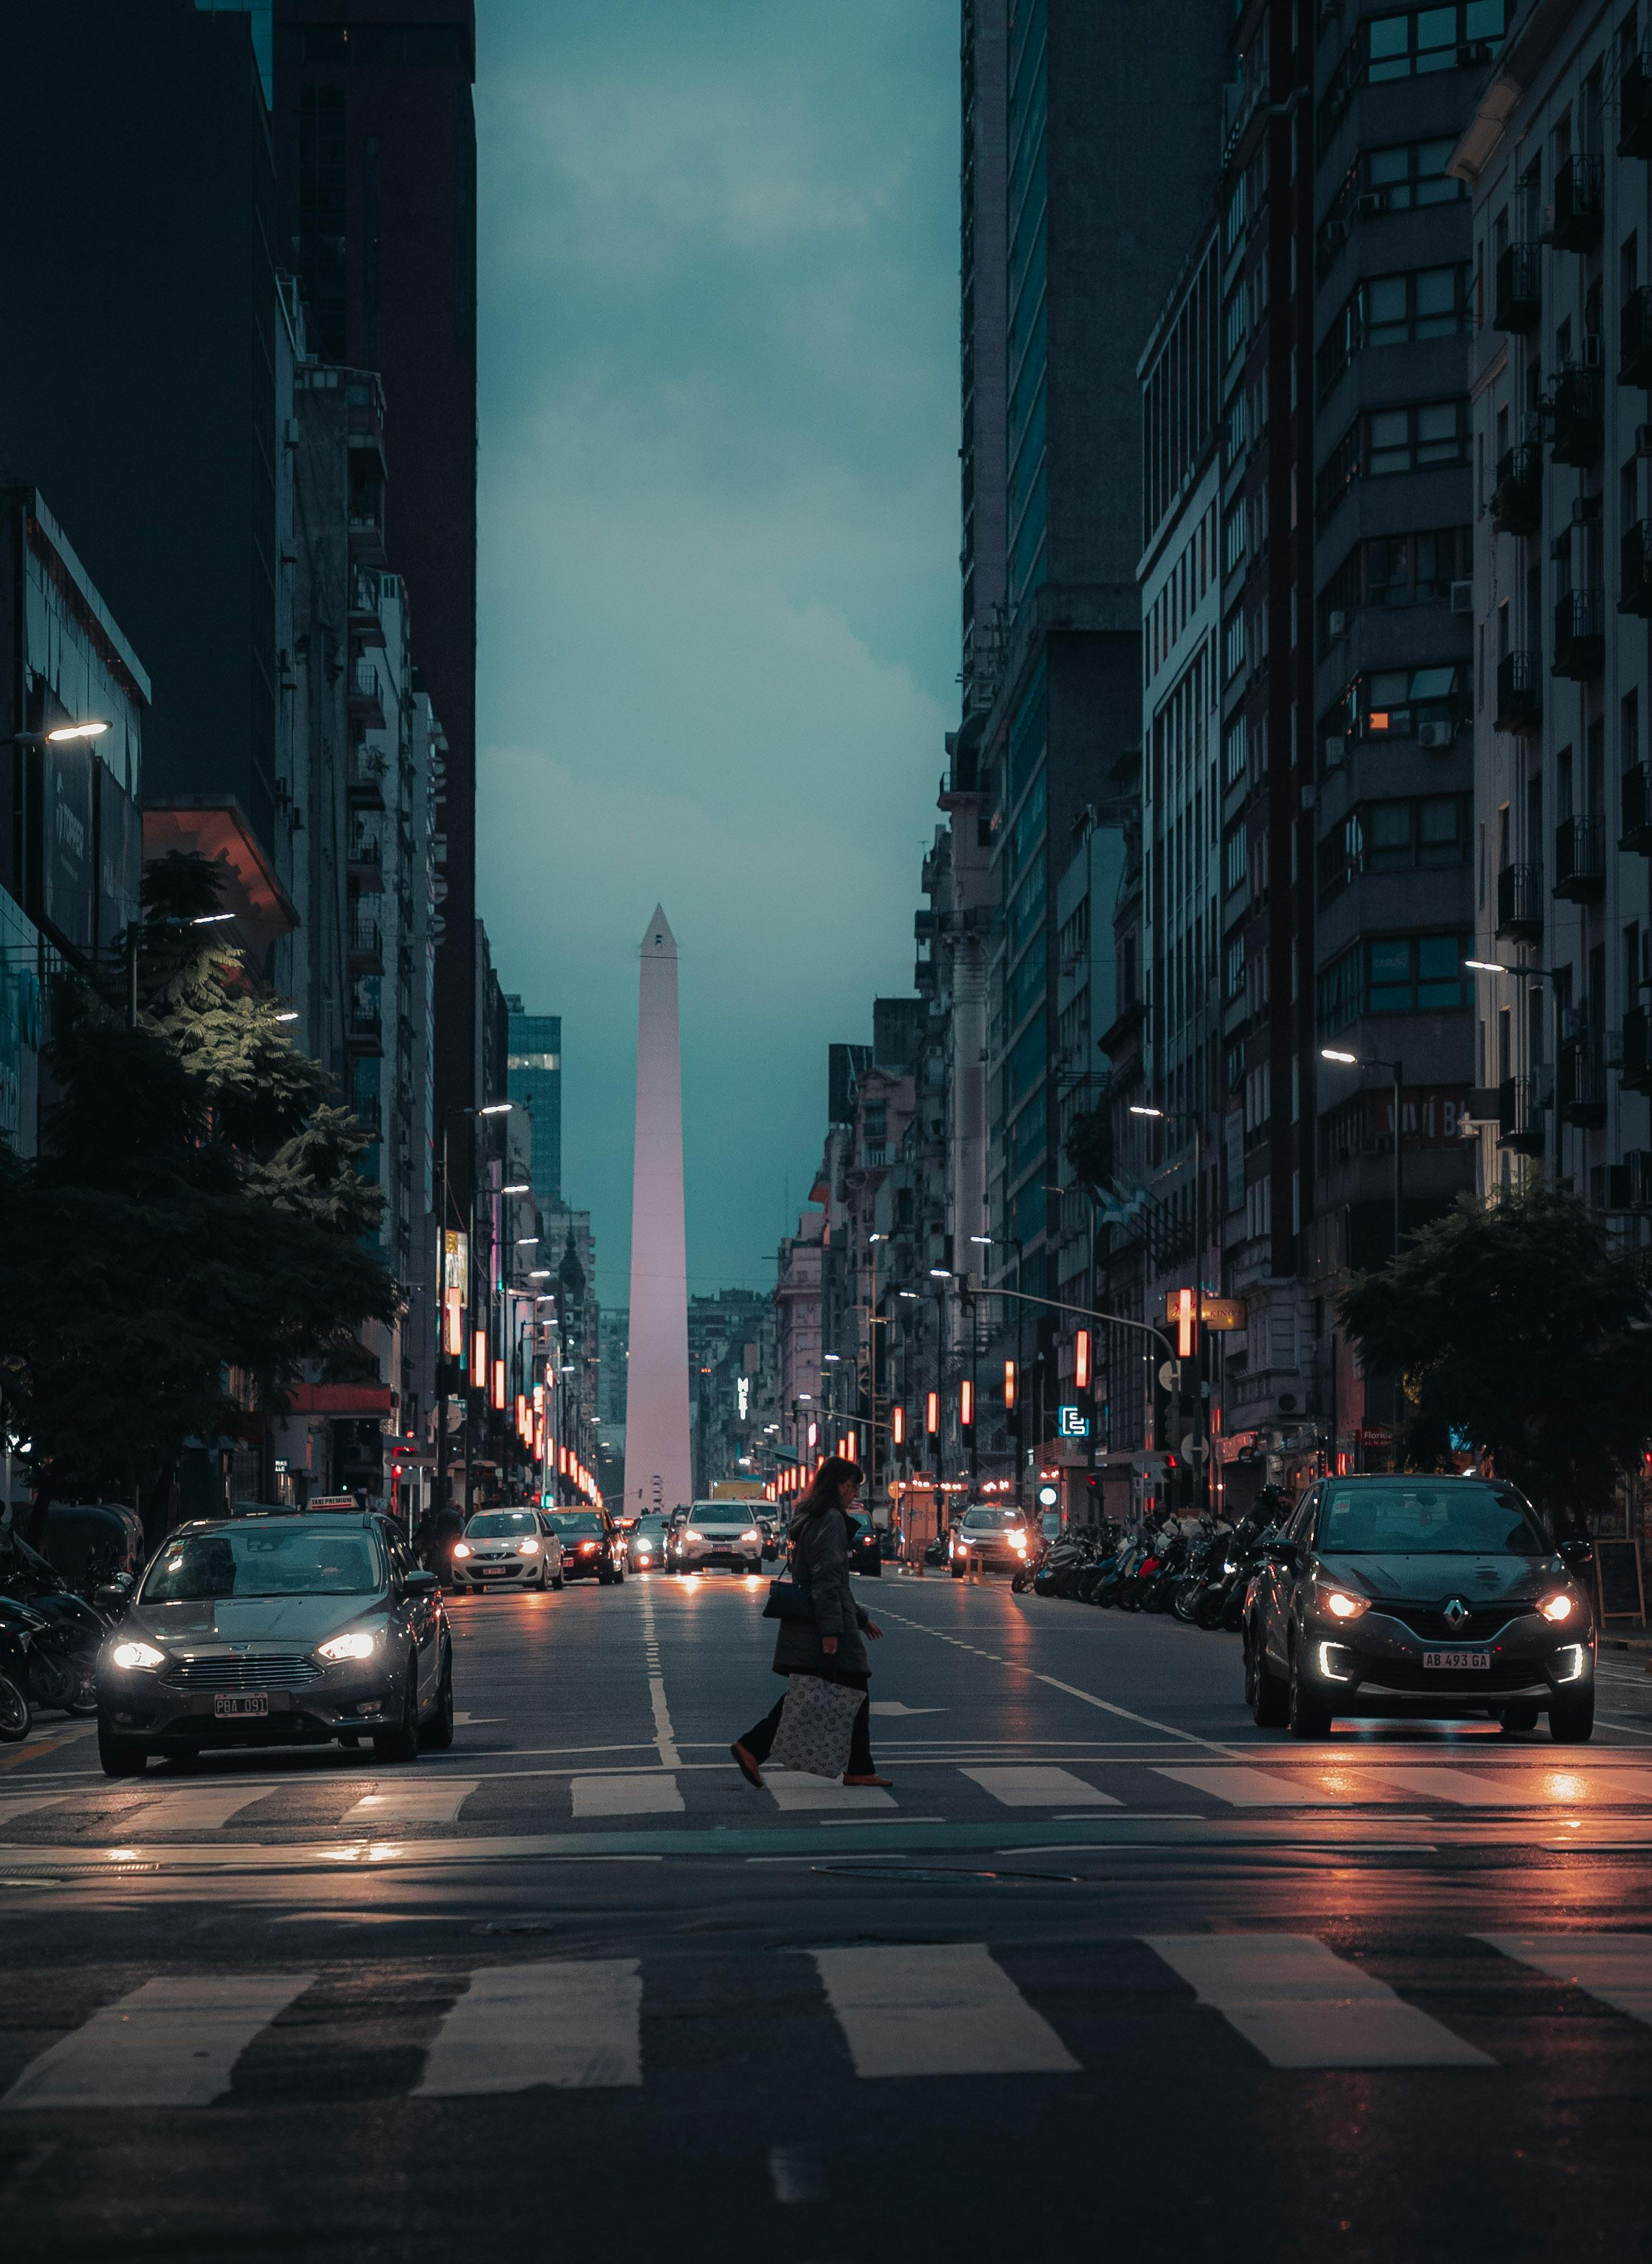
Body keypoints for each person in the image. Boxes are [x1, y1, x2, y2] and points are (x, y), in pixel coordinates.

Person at [731, 1455, 887, 1790]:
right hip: (827, 1625)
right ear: (838, 1485)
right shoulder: (830, 1520)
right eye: (852, 1486)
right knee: (842, 1689)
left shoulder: (811, 1517)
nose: (854, 1493)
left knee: (822, 1690)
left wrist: (860, 1619)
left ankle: (857, 1765)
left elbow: (831, 1583)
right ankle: (754, 1747)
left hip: (823, 1621)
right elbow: (828, 1580)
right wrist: (833, 1632)